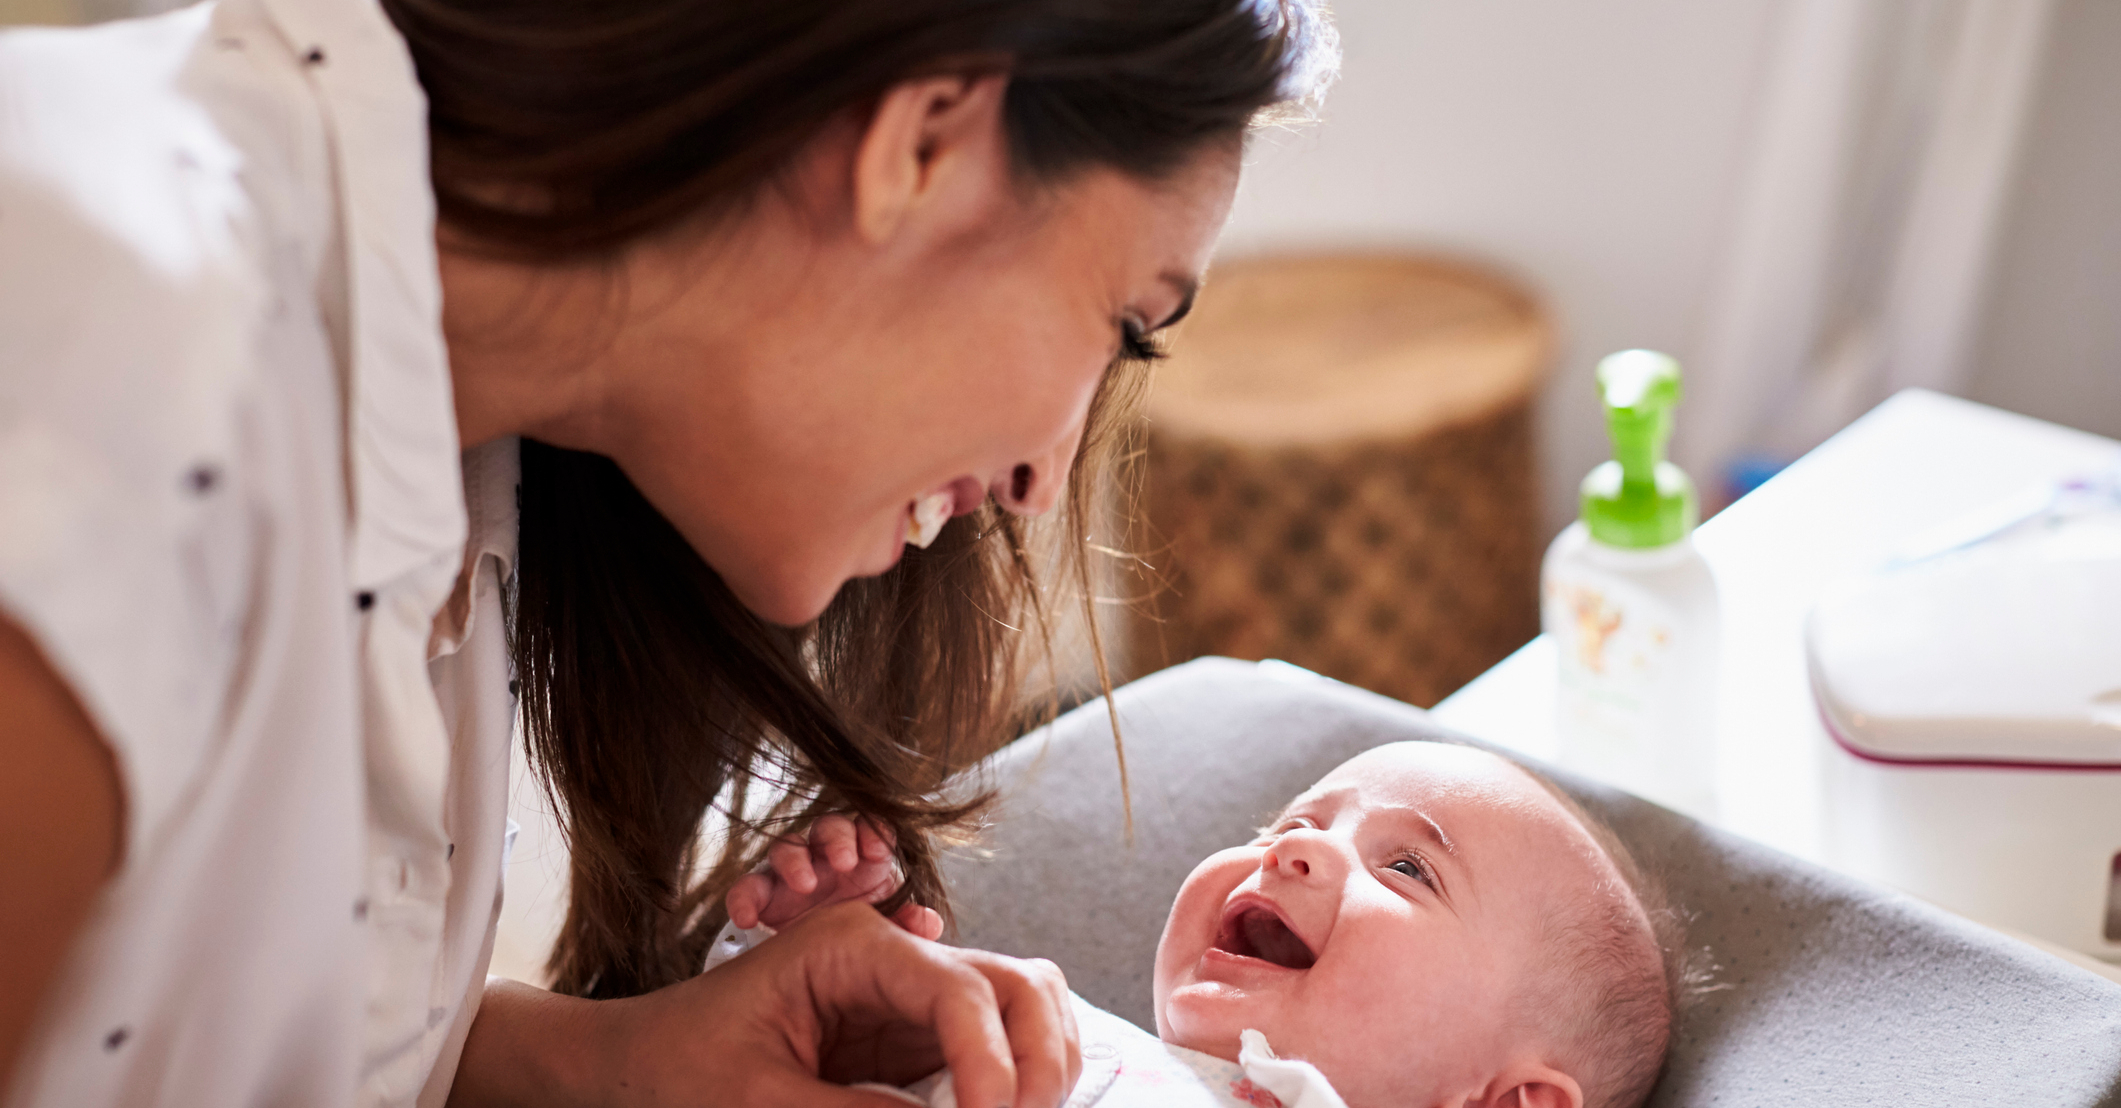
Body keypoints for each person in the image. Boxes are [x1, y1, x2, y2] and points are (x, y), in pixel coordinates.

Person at [0, 1, 1338, 1106]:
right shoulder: (114, 373)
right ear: (922, 143)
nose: (1046, 486)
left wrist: (616, 1069)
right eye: (1124, 319)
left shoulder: (473, 455)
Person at [722, 742, 1681, 1108]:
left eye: (1407, 868)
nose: (1294, 852)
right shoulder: (1056, 1032)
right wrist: (826, 964)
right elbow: (732, 1066)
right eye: (1294, 823)